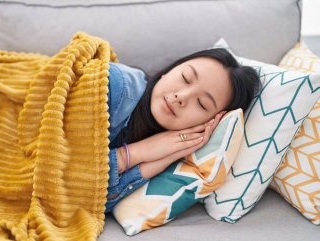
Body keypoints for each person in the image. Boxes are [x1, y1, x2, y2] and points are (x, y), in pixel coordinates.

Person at [104, 48, 261, 213]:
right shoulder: (112, 86)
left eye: (201, 103)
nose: (182, 97)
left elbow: (95, 201)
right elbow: (74, 185)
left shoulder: (162, 146)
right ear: (170, 70)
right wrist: (132, 154)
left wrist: (170, 154)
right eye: (185, 78)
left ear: (210, 122)